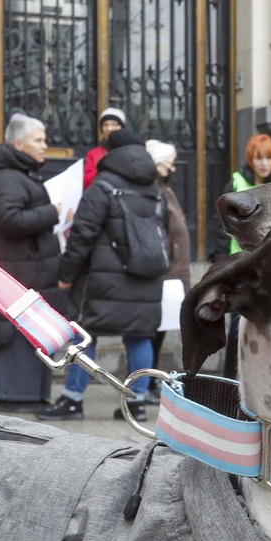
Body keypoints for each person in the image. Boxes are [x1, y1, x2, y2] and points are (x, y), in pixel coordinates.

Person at [41, 132, 170, 423]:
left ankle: (73, 400)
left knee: (85, 334)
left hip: (103, 278)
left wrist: (67, 273)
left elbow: (82, 234)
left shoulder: (103, 186)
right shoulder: (154, 188)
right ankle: (135, 404)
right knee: (139, 337)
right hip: (146, 276)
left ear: (109, 153)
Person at [0, 113, 63, 411]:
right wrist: (51, 212)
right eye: (38, 140)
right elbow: (9, 219)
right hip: (17, 268)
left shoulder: (22, 173)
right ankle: (13, 396)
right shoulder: (7, 176)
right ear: (18, 143)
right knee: (16, 331)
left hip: (29, 267)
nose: (45, 146)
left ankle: (29, 395)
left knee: (31, 332)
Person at [212, 133, 271, 377]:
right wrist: (219, 262)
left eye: (268, 158)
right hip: (240, 266)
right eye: (258, 158)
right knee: (235, 329)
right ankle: (231, 382)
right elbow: (218, 226)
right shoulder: (237, 181)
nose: (263, 163)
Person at [143, 139, 192, 404]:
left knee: (159, 333)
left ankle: (150, 383)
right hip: (164, 274)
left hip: (173, 273)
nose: (173, 167)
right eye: (169, 162)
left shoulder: (165, 190)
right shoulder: (156, 191)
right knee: (153, 332)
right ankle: (147, 383)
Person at [83, 107, 128, 188]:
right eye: (105, 125)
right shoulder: (93, 153)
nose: (109, 129)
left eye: (114, 124)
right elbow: (87, 181)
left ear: (121, 127)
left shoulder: (129, 150)